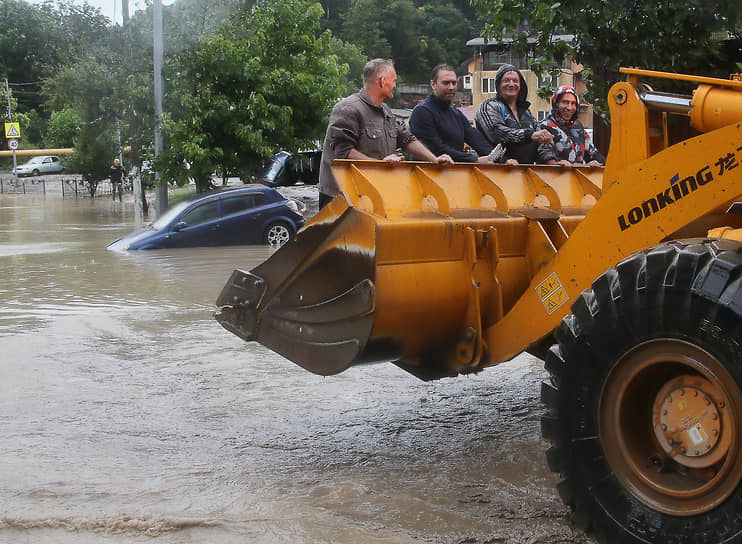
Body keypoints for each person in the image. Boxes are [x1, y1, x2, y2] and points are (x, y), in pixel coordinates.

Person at [318, 58, 454, 208]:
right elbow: (343, 152)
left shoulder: (386, 111)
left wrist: (435, 160)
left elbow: (406, 139)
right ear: (382, 81)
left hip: (370, 196)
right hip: (341, 199)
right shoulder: (347, 109)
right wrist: (381, 166)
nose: (395, 85)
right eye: (394, 80)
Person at [409, 64, 495, 163]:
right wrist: (474, 159)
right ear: (433, 84)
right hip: (427, 174)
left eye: (454, 83)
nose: (451, 87)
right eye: (446, 83)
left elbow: (476, 139)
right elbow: (435, 148)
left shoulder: (456, 114)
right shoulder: (421, 112)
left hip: (454, 174)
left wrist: (499, 159)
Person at [474, 64, 553, 165]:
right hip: (496, 170)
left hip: (525, 171)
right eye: (506, 80)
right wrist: (530, 135)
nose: (511, 84)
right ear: (498, 85)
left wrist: (551, 160)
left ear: (521, 85)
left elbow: (540, 141)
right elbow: (497, 133)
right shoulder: (488, 106)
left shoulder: (526, 112)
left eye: (515, 81)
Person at [537, 85, 606, 167]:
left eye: (573, 103)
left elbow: (593, 153)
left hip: (579, 178)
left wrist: (599, 163)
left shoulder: (578, 126)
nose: (569, 107)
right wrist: (582, 166)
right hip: (554, 178)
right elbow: (547, 159)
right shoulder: (544, 126)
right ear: (556, 103)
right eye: (565, 102)